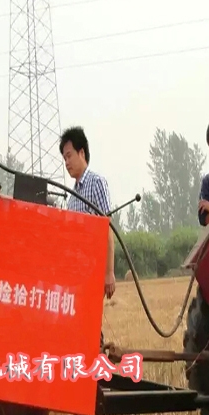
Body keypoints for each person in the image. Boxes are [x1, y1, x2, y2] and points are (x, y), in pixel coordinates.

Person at [59, 126, 116, 299]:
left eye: (69, 156)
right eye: (64, 159)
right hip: (76, 274)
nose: (66, 163)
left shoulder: (96, 183)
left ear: (81, 153)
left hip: (93, 271)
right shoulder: (72, 197)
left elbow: (107, 228)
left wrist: (109, 273)